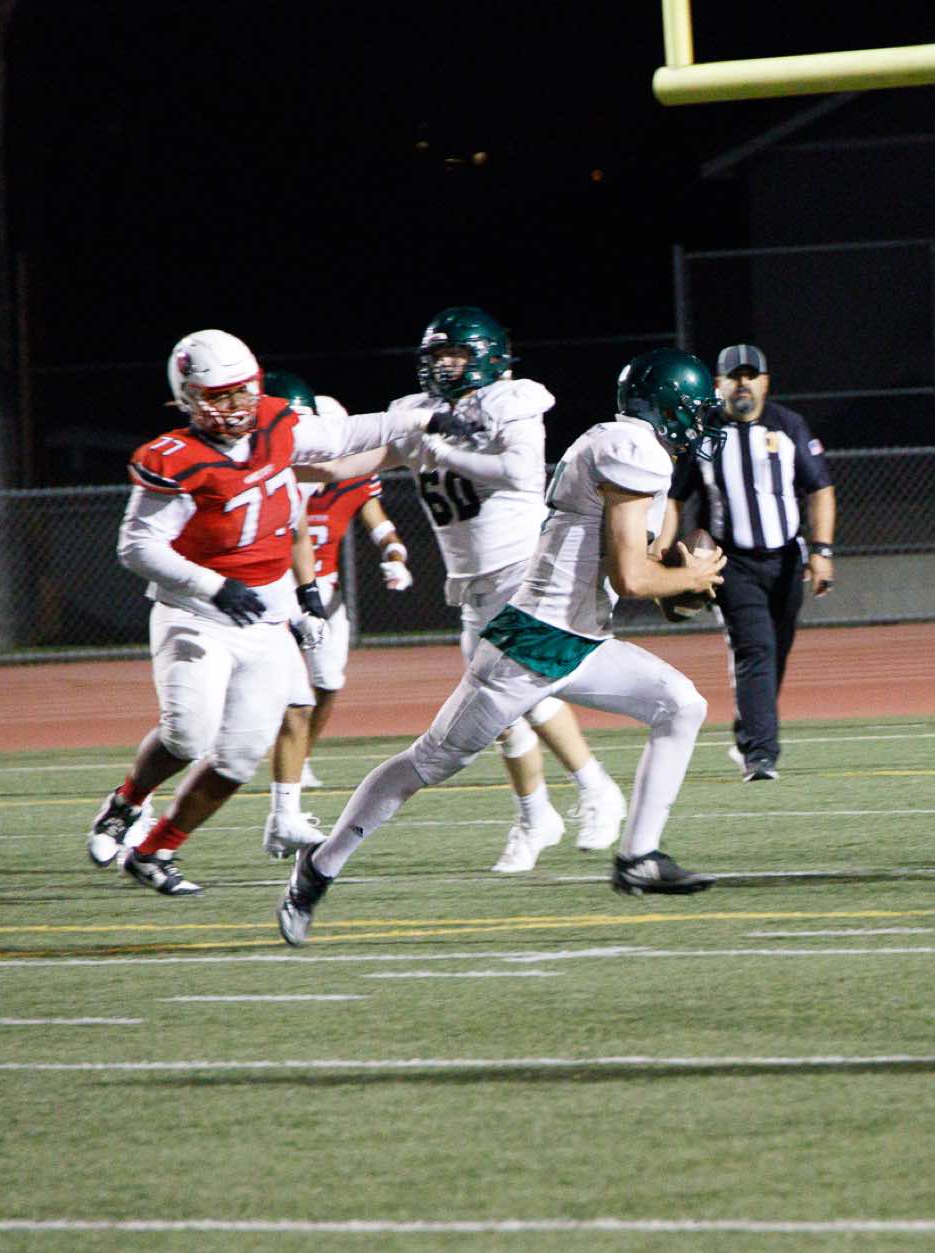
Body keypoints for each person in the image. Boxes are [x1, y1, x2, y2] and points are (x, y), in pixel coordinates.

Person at [275, 348, 729, 947]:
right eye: (695, 410)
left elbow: (634, 571)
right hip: (533, 641)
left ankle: (639, 858)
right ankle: (319, 866)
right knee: (428, 763)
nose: (701, 423)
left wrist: (681, 585)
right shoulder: (631, 448)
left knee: (681, 703)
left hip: (580, 639)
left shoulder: (626, 446)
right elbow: (631, 580)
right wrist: (689, 577)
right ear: (668, 406)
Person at [84, 330, 455, 895]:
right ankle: (126, 803)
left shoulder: (274, 427)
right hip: (194, 612)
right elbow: (136, 547)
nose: (234, 406)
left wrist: (420, 419)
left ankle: (156, 851)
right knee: (187, 736)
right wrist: (212, 584)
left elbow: (341, 436)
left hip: (263, 619)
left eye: (241, 391)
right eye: (219, 395)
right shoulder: (175, 458)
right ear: (187, 396)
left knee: (238, 758)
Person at [385, 306, 628, 869]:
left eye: (455, 355)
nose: (444, 366)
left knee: (522, 691)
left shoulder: (510, 402)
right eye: (437, 356)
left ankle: (594, 788)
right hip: (473, 585)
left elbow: (523, 472)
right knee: (501, 711)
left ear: (487, 358)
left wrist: (445, 452)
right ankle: (536, 815)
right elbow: (366, 454)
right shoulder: (418, 413)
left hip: (524, 570)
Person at [257, 374, 415, 857]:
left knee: (326, 681)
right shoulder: (281, 475)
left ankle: (298, 760)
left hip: (320, 590)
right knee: (270, 690)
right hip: (275, 588)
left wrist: (395, 555)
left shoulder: (350, 477)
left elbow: (380, 524)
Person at [665, 343, 834, 782]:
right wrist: (663, 552)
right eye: (734, 377)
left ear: (765, 382)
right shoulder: (703, 434)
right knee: (755, 649)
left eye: (750, 375)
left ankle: (750, 732)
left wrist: (822, 552)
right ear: (718, 384)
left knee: (775, 650)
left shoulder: (788, 426)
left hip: (786, 559)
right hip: (732, 563)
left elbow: (820, 488)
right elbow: (674, 497)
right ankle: (760, 754)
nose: (743, 384)